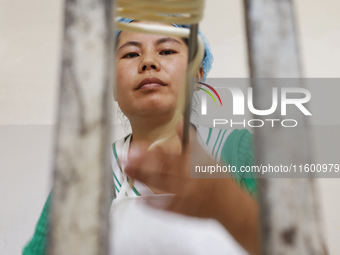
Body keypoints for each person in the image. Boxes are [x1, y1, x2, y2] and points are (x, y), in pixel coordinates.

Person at [23, 18, 259, 255]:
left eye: (166, 50)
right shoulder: (88, 175)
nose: (148, 62)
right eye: (130, 54)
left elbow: (290, 243)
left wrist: (226, 201)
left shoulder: (242, 151)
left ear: (197, 75)